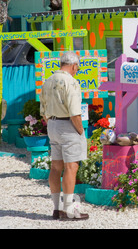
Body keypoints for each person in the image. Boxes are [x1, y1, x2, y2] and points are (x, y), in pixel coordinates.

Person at [40, 51, 89, 220]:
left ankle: (56, 208)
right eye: (77, 67)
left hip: (52, 124)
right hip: (68, 125)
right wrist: (81, 132)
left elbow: (43, 111)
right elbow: (75, 113)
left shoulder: (48, 80)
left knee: (56, 166)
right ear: (74, 65)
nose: (77, 70)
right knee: (71, 167)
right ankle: (68, 208)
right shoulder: (72, 82)